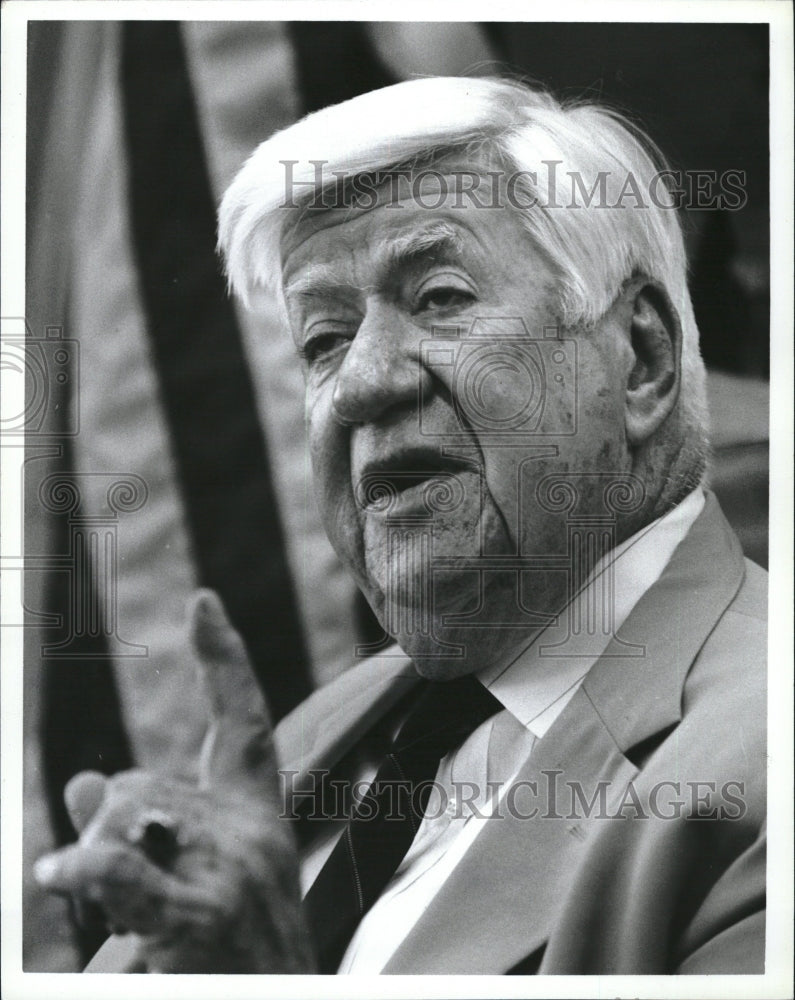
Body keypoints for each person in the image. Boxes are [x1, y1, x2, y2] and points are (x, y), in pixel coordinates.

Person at [34, 76, 766, 975]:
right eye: (323, 341)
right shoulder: (319, 737)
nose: (362, 382)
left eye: (440, 297)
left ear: (641, 361)